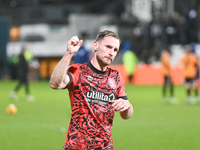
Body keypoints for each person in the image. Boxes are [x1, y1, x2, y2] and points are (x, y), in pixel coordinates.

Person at [50, 30, 133, 150]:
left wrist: (127, 106)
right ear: (95, 45)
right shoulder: (78, 71)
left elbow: (126, 115)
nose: (111, 53)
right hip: (77, 146)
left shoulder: (115, 77)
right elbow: (55, 84)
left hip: (105, 147)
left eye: (115, 50)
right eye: (108, 47)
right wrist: (69, 53)